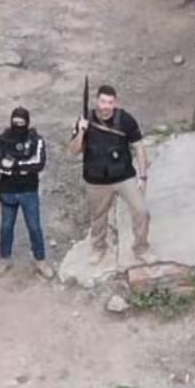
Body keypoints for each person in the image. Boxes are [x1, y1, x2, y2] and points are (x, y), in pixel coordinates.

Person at [69, 84, 151, 265]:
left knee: (142, 211)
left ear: (115, 103)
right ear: (97, 101)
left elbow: (139, 147)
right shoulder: (85, 119)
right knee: (98, 217)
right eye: (103, 101)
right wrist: (81, 131)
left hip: (124, 176)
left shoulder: (126, 120)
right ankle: (99, 248)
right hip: (96, 180)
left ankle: (141, 248)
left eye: (110, 102)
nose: (106, 106)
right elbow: (74, 150)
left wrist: (143, 176)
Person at [0, 107, 54, 279]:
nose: (18, 126)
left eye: (22, 123)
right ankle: (5, 259)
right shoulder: (2, 139)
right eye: (15, 123)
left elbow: (38, 164)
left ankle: (40, 260)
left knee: (34, 227)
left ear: (27, 123)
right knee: (6, 227)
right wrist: (22, 167)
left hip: (29, 190)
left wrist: (14, 165)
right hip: (7, 191)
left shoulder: (36, 141)